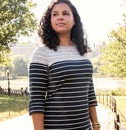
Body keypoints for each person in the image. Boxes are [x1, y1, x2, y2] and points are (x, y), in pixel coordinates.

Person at [29, 0, 100, 130]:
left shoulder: (81, 51)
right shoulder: (41, 52)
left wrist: (95, 125)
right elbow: (36, 100)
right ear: (49, 21)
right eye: (55, 14)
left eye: (65, 13)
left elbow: (89, 93)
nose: (60, 17)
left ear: (74, 21)